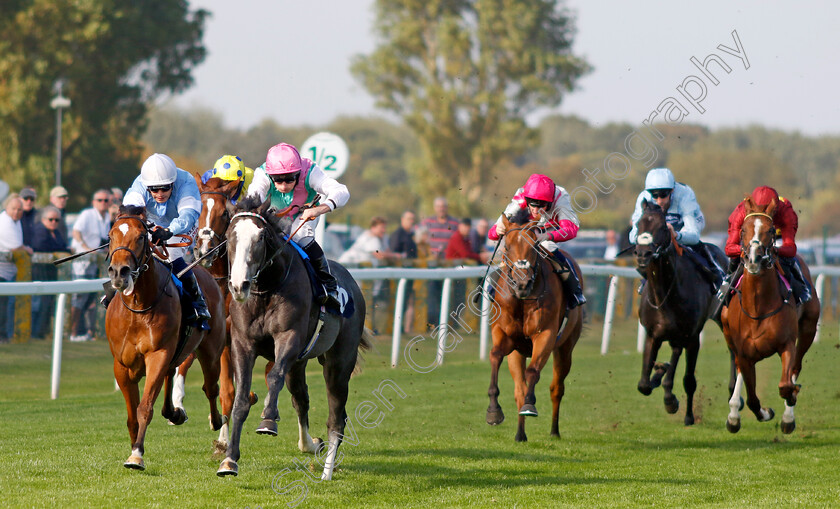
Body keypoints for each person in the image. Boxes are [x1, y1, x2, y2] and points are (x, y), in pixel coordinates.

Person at [110, 153, 211, 328]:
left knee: (171, 255)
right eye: (154, 190)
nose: (159, 194)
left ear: (173, 183)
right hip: (150, 224)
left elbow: (188, 215)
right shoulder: (140, 184)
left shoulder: (186, 182)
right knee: (132, 252)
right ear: (147, 186)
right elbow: (129, 214)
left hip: (182, 224)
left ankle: (198, 303)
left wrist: (169, 231)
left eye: (165, 188)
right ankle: (112, 294)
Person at [246, 143, 349, 308]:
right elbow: (253, 195)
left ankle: (329, 285)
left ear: (298, 172)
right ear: (271, 176)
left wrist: (319, 209)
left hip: (306, 213)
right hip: (274, 216)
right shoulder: (262, 174)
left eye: (289, 179)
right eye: (278, 180)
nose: (283, 186)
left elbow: (342, 191)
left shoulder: (310, 171)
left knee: (301, 237)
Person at [488, 173, 586, 309]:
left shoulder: (560, 198)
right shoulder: (521, 198)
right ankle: (492, 289)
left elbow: (571, 229)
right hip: (525, 235)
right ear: (526, 199)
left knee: (548, 246)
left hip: (548, 231)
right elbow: (492, 234)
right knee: (512, 250)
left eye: (541, 206)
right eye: (532, 205)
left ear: (550, 202)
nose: (535, 210)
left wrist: (547, 236)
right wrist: (498, 230)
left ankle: (575, 292)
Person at [629, 167, 724, 292]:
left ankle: (716, 274)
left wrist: (677, 235)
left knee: (690, 246)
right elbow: (632, 237)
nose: (659, 201)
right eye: (655, 195)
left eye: (663, 195)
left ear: (672, 191)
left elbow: (694, 236)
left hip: (688, 223)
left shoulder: (685, 195)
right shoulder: (644, 198)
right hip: (663, 227)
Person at [716, 185, 810, 311]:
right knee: (736, 258)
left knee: (788, 260)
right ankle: (727, 282)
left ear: (775, 208)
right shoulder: (740, 212)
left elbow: (791, 249)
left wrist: (775, 250)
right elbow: (729, 248)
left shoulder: (785, 211)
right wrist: (746, 251)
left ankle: (801, 289)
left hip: (775, 235)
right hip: (751, 235)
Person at [70, 189, 111, 342]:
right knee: (79, 296)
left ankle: (85, 332)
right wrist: (86, 247)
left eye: (106, 200)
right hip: (82, 261)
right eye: (99, 200)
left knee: (90, 298)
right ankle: (73, 333)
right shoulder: (87, 214)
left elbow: (101, 239)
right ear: (94, 202)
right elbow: (76, 232)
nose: (103, 203)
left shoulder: (106, 217)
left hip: (95, 262)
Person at [421, 197, 460, 328]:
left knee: (448, 295)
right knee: (432, 295)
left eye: (443, 206)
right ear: (435, 208)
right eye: (439, 206)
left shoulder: (455, 223)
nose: (441, 209)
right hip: (431, 265)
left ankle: (447, 324)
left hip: (448, 265)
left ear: (446, 208)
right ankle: (432, 324)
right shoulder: (427, 222)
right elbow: (419, 239)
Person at [30, 206, 68, 338]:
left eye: (56, 220)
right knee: (39, 303)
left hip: (50, 272)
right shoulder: (40, 230)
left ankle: (41, 332)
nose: (53, 222)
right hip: (39, 271)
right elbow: (40, 245)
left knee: (47, 302)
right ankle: (35, 332)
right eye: (50, 219)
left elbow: (62, 245)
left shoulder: (56, 232)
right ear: (43, 219)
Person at [0, 195, 32, 342]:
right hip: (2, 271)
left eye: (19, 209)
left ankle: (5, 335)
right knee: (3, 306)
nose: (17, 212)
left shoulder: (15, 221)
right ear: (7, 208)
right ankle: (2, 336)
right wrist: (27, 249)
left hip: (8, 272)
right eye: (13, 208)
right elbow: (16, 247)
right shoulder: (5, 222)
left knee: (6, 306)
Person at [389, 210, 418, 333]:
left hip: (408, 272)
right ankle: (396, 328)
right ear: (402, 220)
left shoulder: (410, 234)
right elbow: (394, 252)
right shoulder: (398, 234)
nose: (411, 222)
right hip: (399, 273)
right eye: (409, 219)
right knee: (399, 301)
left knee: (405, 301)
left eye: (413, 219)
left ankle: (401, 328)